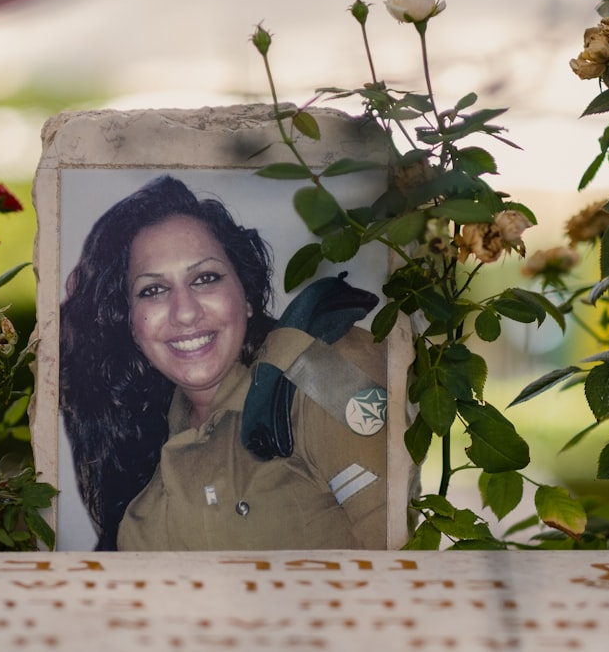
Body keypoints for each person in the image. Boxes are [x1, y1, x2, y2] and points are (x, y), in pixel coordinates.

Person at [59, 175, 392, 551]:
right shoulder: (140, 492)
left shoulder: (315, 376)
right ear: (130, 325)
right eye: (153, 290)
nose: (184, 313)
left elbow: (403, 561)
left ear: (247, 296)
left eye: (205, 278)